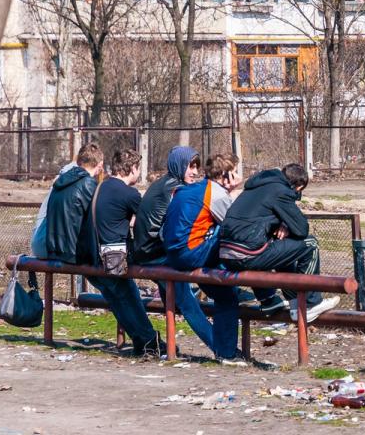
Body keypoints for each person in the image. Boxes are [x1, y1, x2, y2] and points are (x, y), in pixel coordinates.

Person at [220, 163, 339, 323]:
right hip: (247, 254)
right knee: (310, 243)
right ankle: (310, 303)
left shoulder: (254, 188)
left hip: (227, 255)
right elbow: (302, 229)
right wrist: (287, 222)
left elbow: (260, 217)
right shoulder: (280, 191)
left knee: (283, 245)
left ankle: (295, 303)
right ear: (299, 186)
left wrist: (283, 224)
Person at [77, 148, 165, 356]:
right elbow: (147, 221)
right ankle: (150, 341)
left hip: (92, 257)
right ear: (132, 168)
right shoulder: (129, 193)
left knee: (119, 301)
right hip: (113, 258)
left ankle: (142, 340)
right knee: (129, 296)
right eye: (138, 169)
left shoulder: (102, 186)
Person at [160, 153, 244, 364]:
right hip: (190, 253)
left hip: (174, 253)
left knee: (225, 293)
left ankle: (226, 350)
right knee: (236, 242)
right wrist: (231, 192)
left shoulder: (192, 189)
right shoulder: (216, 194)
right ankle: (227, 352)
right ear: (227, 174)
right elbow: (235, 226)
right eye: (235, 171)